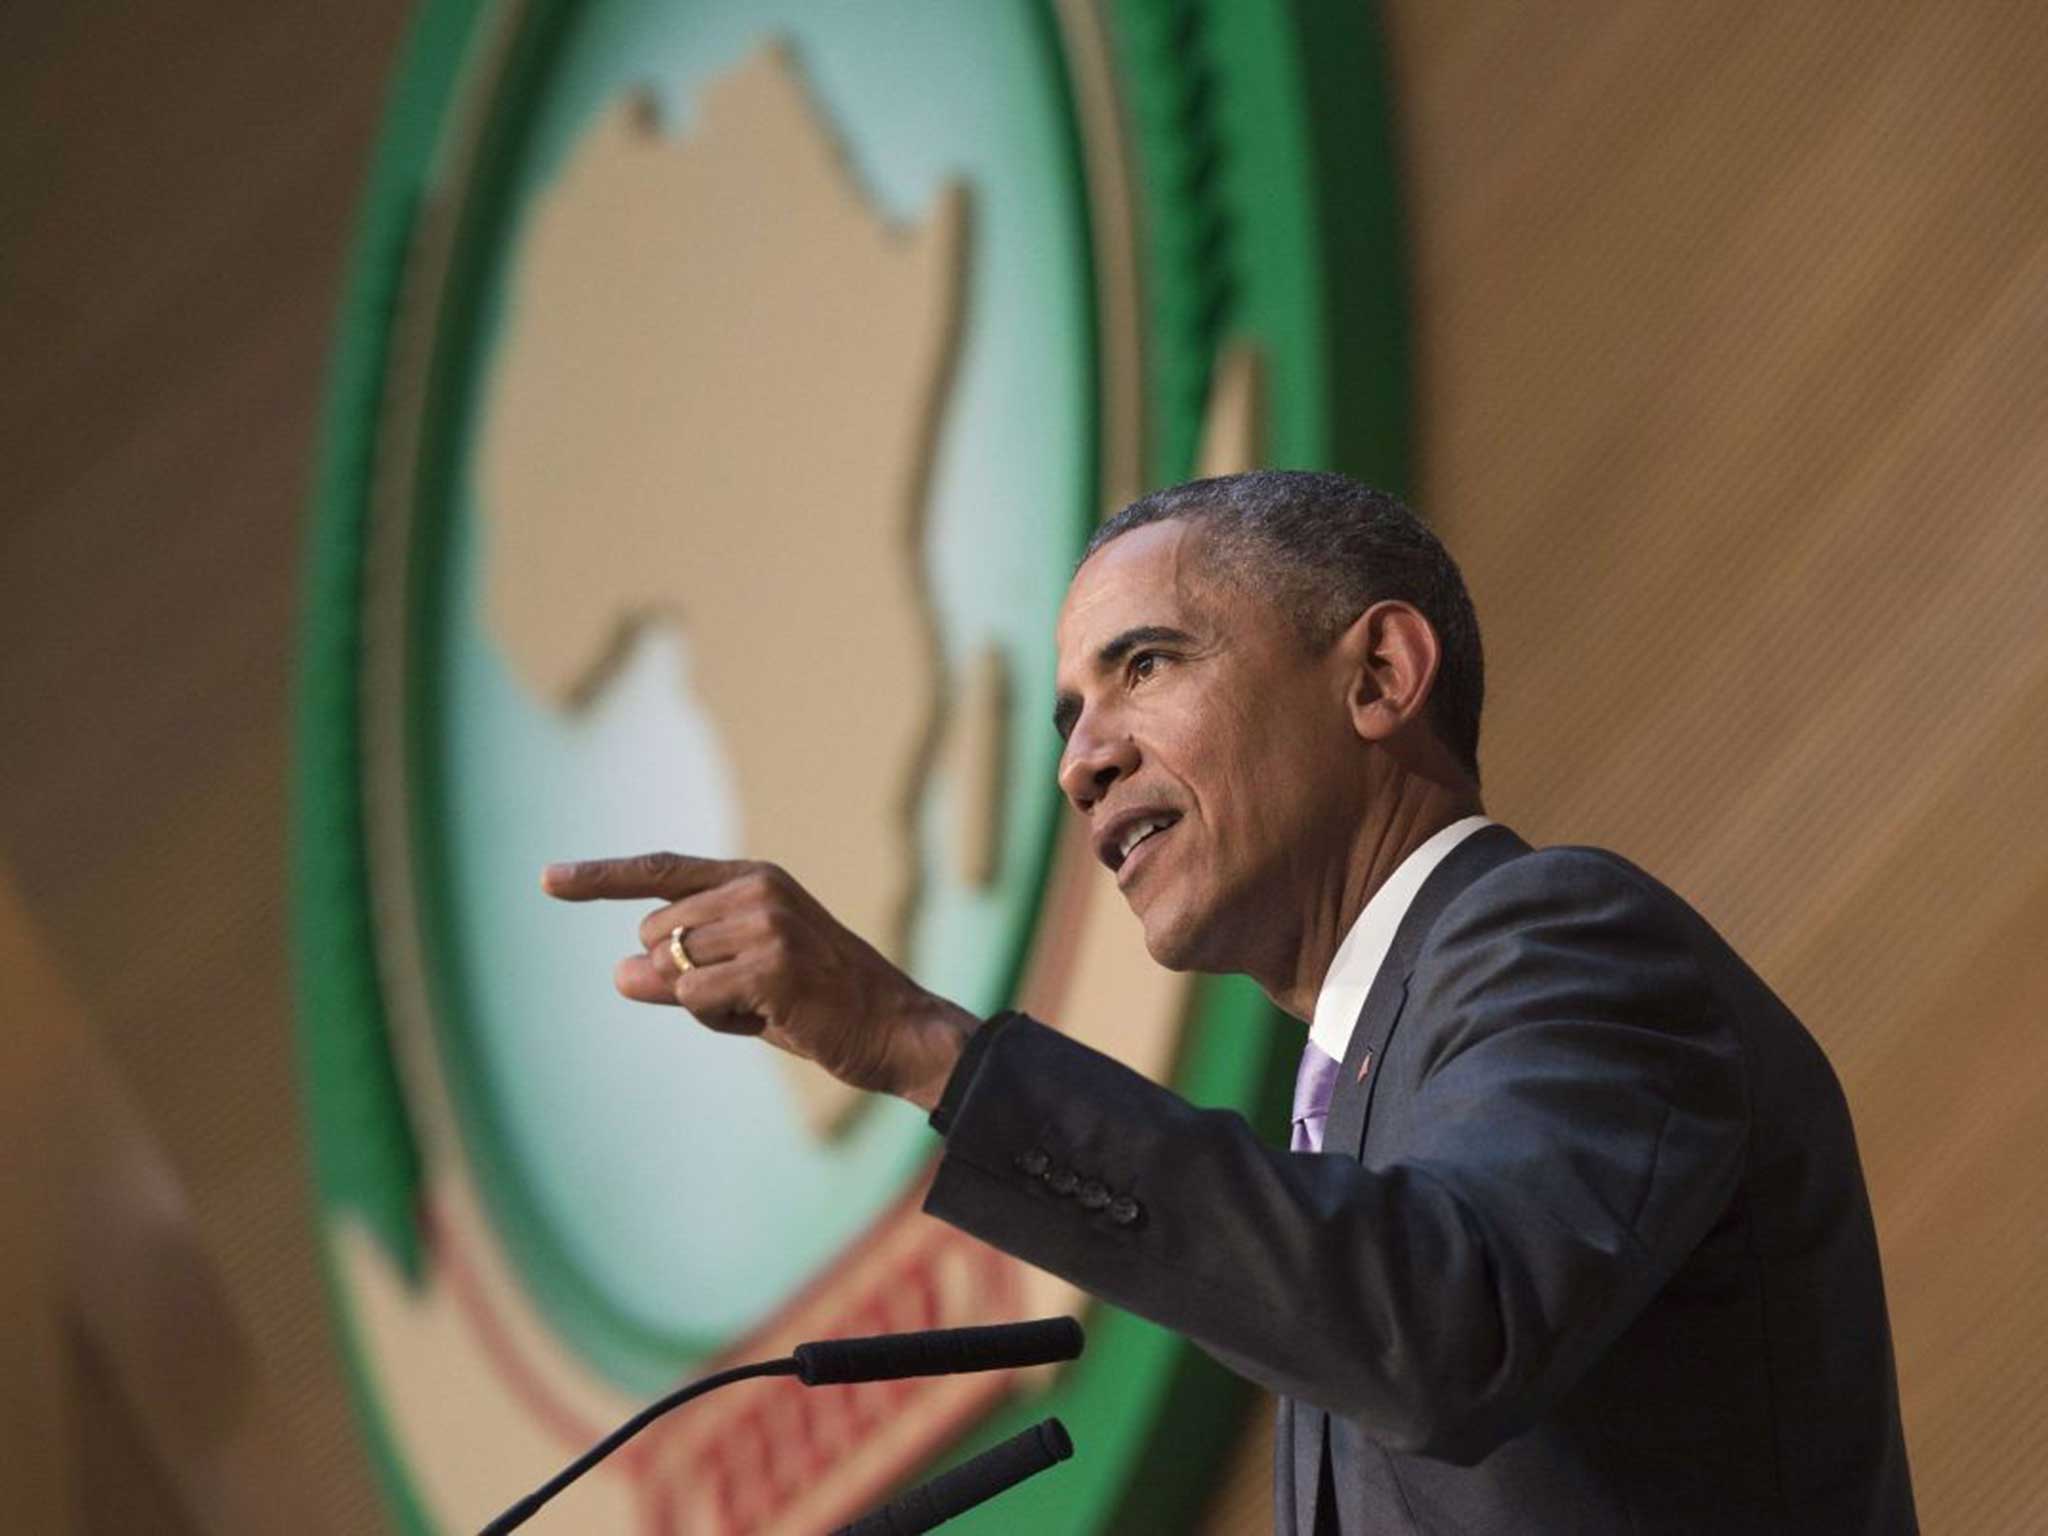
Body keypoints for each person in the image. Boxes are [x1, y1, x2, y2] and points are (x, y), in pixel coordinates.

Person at [544, 470, 1917, 1533]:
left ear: (1379, 676)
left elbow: (1446, 1323)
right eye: (1069, 715)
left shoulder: (1563, 939)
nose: (1083, 761)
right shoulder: (1353, 1131)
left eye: (1144, 667)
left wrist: (920, 1044)